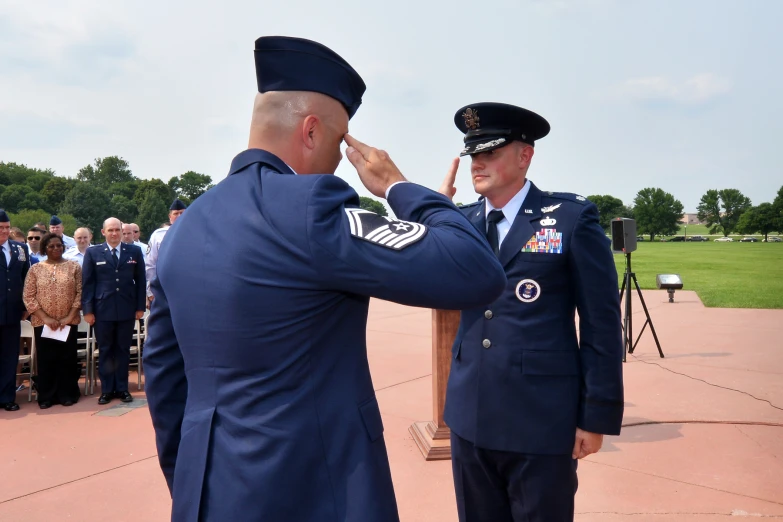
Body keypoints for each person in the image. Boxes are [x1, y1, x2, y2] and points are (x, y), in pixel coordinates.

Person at [143, 36, 506, 522]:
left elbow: (165, 379)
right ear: (312, 131)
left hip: (208, 492)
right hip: (315, 490)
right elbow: (476, 270)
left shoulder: (185, 228)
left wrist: (189, 482)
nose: (341, 161)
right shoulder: (311, 208)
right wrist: (399, 188)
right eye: (340, 142)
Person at [439, 102, 624, 522]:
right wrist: (434, 213)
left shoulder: (571, 219)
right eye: (473, 154)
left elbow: (602, 325)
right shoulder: (460, 223)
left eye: (490, 152)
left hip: (541, 421)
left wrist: (596, 415)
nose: (477, 162)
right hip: (469, 418)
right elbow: (419, 276)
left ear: (525, 156)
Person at [81, 217, 146, 405]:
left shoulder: (134, 251)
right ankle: (107, 389)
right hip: (102, 309)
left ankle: (123, 388)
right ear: (103, 232)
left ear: (122, 230)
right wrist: (88, 310)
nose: (114, 233)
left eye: (117, 230)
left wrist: (140, 307)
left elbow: (141, 281)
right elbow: (88, 283)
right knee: (106, 350)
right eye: (110, 230)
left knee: (123, 350)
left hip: (126, 307)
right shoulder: (93, 253)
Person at [22, 233, 82, 409]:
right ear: (44, 249)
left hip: (68, 322)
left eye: (59, 245)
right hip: (43, 323)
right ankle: (47, 395)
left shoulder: (74, 267)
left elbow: (80, 292)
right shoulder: (36, 269)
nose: (56, 249)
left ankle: (67, 394)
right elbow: (28, 296)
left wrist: (69, 316)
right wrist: (46, 318)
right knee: (46, 359)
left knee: (67, 358)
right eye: (51, 246)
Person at [0, 209, 31, 412]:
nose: (4, 231)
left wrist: (25, 307)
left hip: (12, 311)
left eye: (7, 227)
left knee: (10, 356)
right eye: (1, 228)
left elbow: (26, 278)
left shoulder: (20, 248)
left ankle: (7, 397)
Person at [144, 199, 186, 308]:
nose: (179, 216)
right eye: (176, 213)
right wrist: (150, 291)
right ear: (170, 216)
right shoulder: (158, 235)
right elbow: (150, 264)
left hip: (188, 287)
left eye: (182, 213)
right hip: (164, 288)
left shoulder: (196, 232)